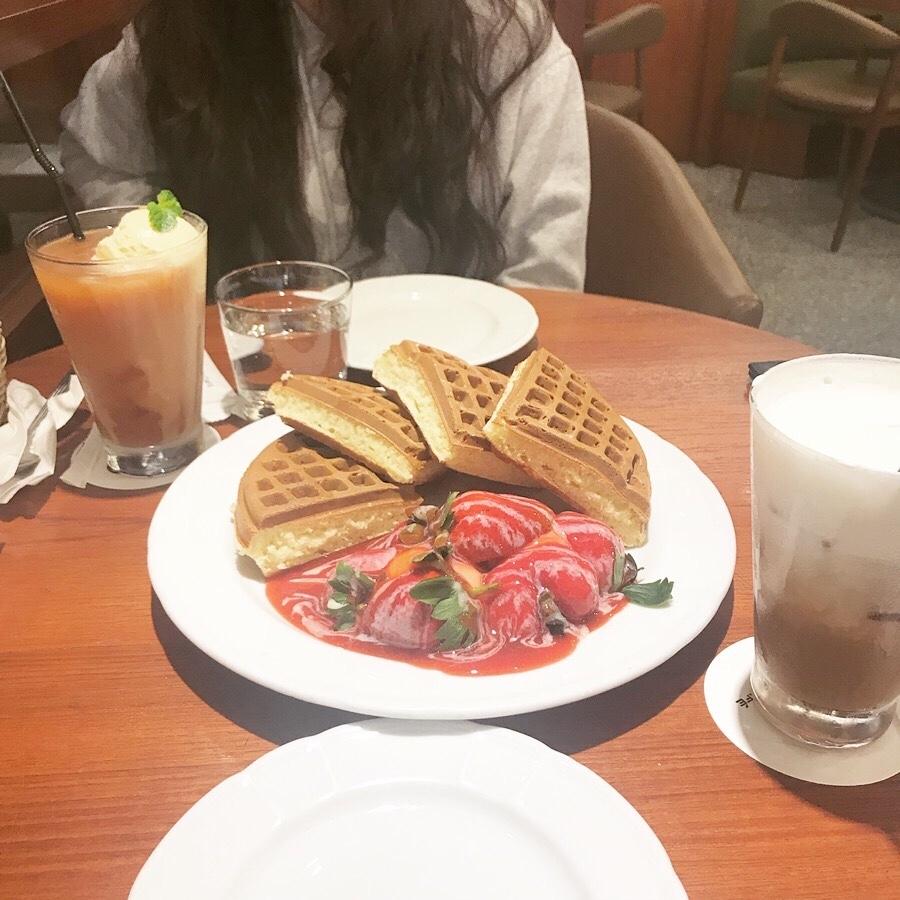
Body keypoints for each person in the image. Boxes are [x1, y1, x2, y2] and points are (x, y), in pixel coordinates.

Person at [60, 0, 589, 290]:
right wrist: (163, 244)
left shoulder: (503, 36)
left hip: (465, 383)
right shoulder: (184, 32)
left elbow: (543, 279)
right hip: (260, 384)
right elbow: (101, 156)